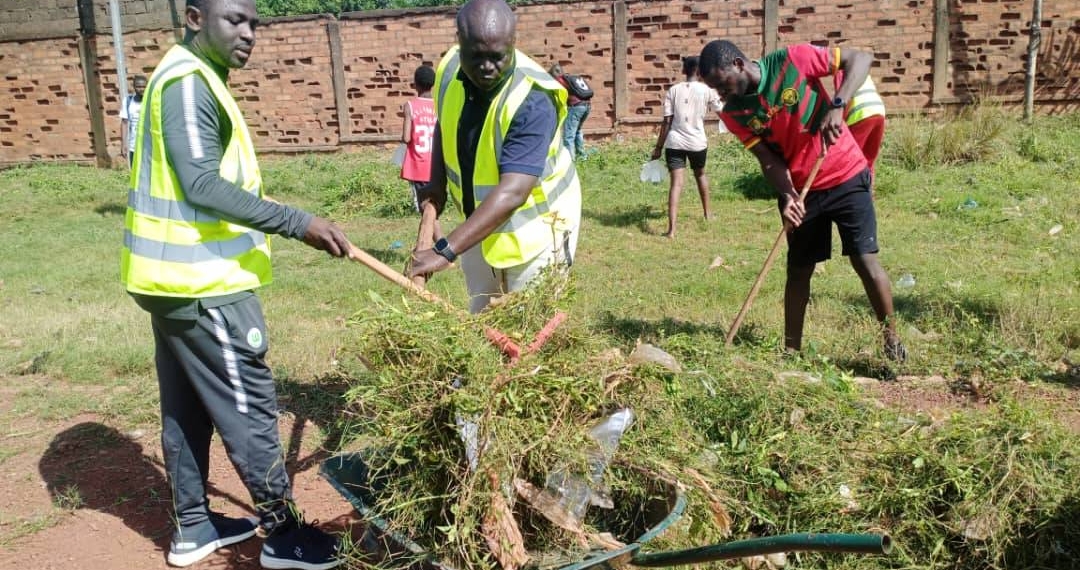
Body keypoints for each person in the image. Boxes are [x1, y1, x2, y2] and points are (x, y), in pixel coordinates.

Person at [120, 1, 351, 568]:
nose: (250, 33)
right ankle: (284, 535)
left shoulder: (191, 75)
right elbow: (200, 183)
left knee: (187, 408)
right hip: (204, 286)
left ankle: (195, 527)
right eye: (236, 20)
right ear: (196, 17)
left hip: (172, 281)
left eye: (254, 22)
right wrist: (299, 222)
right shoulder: (189, 82)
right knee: (249, 406)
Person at [698, 40, 906, 362]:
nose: (720, 94)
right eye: (714, 89)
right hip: (804, 192)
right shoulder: (734, 113)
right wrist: (787, 195)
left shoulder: (792, 60)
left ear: (738, 64)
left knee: (864, 261)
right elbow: (768, 160)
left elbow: (861, 59)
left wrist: (838, 105)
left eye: (721, 84)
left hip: (846, 173)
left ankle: (892, 340)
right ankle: (791, 352)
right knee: (798, 271)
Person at [407, 0, 582, 314]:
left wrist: (444, 251)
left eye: (497, 57)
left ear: (513, 44)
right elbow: (441, 125)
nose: (487, 67)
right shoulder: (448, 69)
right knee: (482, 316)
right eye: (476, 56)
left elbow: (514, 191)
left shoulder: (533, 99)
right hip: (477, 222)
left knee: (528, 324)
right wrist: (434, 188)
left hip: (540, 228)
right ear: (459, 43)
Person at [650, 55, 723, 239]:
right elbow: (722, 112)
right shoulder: (707, 90)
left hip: (674, 142)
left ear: (684, 70)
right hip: (697, 143)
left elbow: (667, 121)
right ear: (700, 72)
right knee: (700, 174)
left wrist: (658, 147)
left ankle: (672, 230)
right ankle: (708, 214)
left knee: (676, 184)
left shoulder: (673, 90)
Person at [400, 64, 437, 211]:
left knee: (424, 206)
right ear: (433, 83)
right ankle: (435, 233)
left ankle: (433, 233)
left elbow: (406, 138)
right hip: (436, 164)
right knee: (433, 204)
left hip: (419, 164)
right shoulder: (439, 106)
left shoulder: (410, 106)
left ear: (415, 84)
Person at [548, 63, 591, 161]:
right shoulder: (569, 78)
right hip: (587, 106)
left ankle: (569, 161)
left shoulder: (559, 81)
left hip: (576, 107)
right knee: (577, 131)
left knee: (568, 136)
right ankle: (582, 156)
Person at [120, 74, 147, 168]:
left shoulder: (151, 101)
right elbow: (124, 122)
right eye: (139, 86)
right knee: (135, 172)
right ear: (134, 87)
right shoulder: (128, 101)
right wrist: (123, 143)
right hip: (134, 145)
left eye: (144, 86)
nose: (141, 89)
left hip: (149, 145)